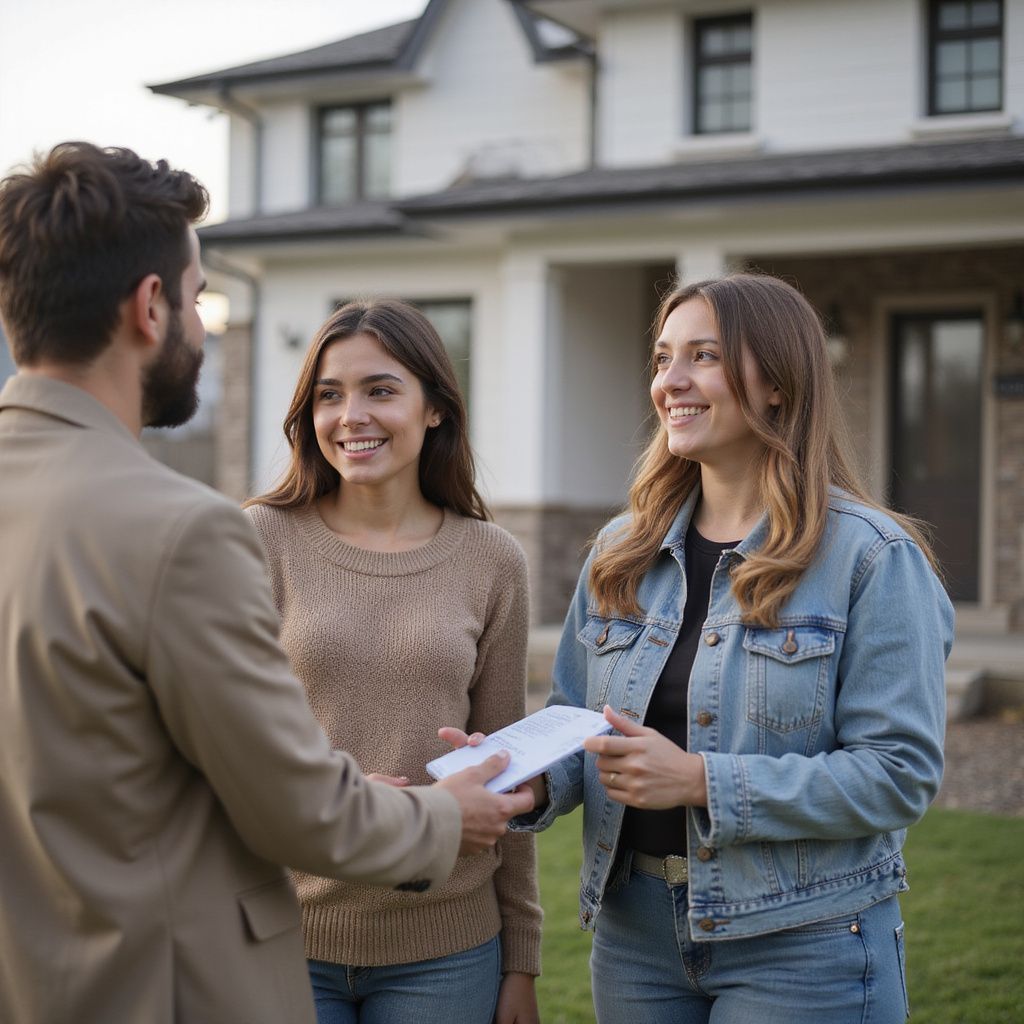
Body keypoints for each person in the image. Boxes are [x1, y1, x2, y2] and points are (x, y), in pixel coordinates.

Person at [0, 142, 533, 1024]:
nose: (203, 328)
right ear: (151, 306)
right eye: (200, 296)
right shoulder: (187, 530)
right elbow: (292, 806)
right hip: (147, 984)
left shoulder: (489, 558)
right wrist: (445, 817)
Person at [494, 273, 953, 1022]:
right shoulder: (620, 550)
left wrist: (702, 780)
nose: (669, 382)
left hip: (802, 940)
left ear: (776, 382)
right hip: (634, 937)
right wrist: (530, 780)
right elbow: (581, 721)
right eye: (663, 358)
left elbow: (897, 776)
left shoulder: (870, 558)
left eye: (702, 357)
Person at [244, 298, 542, 1024]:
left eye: (380, 390)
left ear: (435, 408)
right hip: (284, 934)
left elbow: (509, 770)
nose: (352, 416)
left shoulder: (492, 559)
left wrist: (522, 962)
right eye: (329, 395)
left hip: (446, 949)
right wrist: (345, 800)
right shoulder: (259, 540)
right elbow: (227, 748)